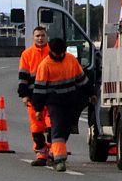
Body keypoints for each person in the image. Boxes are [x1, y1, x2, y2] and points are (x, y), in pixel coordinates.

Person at [31, 38, 95, 172]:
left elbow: (82, 79)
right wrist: (38, 109)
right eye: (57, 53)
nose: (60, 55)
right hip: (54, 103)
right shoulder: (45, 65)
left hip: (70, 101)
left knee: (66, 129)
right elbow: (39, 90)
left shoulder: (71, 60)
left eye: (62, 53)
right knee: (58, 128)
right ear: (51, 51)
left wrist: (91, 93)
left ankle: (53, 153)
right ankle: (59, 160)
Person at [18, 25, 52, 166]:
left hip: (51, 96)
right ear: (33, 38)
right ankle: (41, 153)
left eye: (42, 35)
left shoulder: (52, 52)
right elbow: (23, 77)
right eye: (37, 36)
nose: (40, 38)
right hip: (33, 97)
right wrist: (24, 95)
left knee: (52, 125)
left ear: (47, 37)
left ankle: (53, 151)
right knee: (36, 128)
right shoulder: (27, 54)